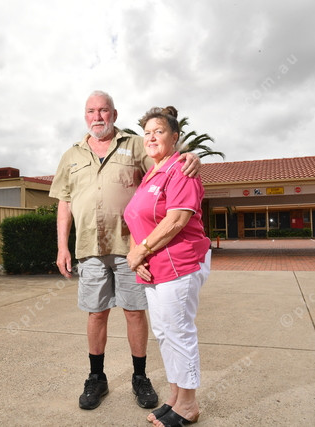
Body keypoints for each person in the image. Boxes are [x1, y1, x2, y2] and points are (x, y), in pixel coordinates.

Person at [49, 91, 201, 411]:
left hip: (130, 247)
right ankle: (96, 377)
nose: (97, 117)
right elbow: (64, 203)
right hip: (89, 247)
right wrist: (62, 246)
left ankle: (140, 377)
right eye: (91, 111)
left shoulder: (134, 144)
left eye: (103, 110)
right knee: (96, 313)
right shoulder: (71, 155)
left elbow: (165, 161)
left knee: (134, 312)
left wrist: (190, 156)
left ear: (114, 114)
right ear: (85, 116)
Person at [124, 106, 211, 426]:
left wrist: (140, 252)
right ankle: (175, 396)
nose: (151, 137)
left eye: (158, 131)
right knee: (164, 333)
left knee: (179, 331)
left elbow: (176, 220)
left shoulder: (181, 169)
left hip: (179, 263)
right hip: (154, 267)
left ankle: (188, 404)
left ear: (175, 137)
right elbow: (137, 220)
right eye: (146, 133)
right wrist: (137, 256)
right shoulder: (151, 173)